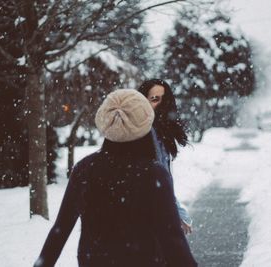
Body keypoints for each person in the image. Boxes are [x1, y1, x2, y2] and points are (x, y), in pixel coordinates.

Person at [33, 89, 197, 267]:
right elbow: (172, 239)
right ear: (145, 123)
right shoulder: (154, 174)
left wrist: (43, 263)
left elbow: (61, 229)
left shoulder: (85, 169)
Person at [138, 79, 193, 234]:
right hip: (148, 217)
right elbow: (156, 183)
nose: (161, 104)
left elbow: (163, 180)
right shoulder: (144, 133)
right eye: (154, 99)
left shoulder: (159, 131)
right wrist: (175, 214)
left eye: (164, 99)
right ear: (142, 101)